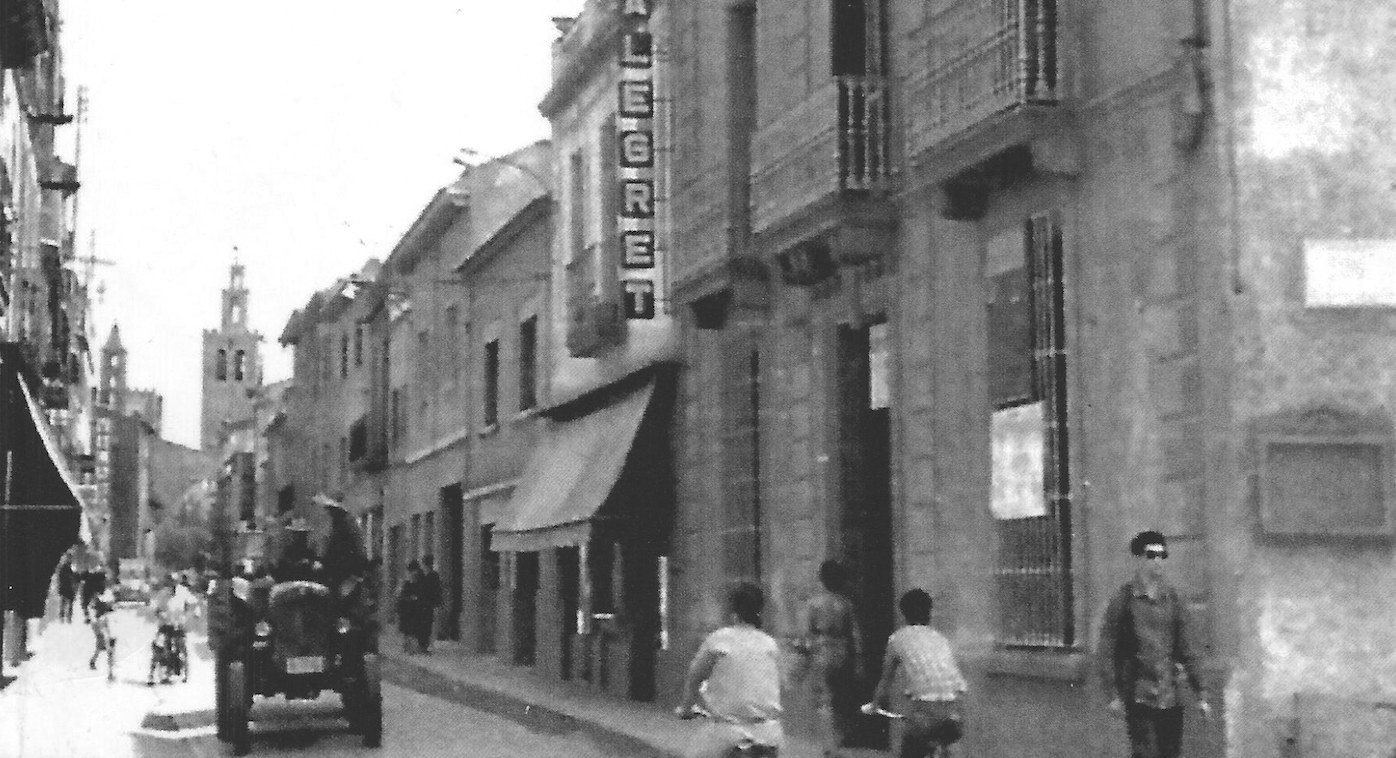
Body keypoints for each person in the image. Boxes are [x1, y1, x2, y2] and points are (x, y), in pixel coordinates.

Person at [1099, 530, 1210, 758]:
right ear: (1138, 559)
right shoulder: (1123, 600)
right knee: (1145, 753)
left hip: (1170, 695)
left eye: (1162, 556)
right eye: (1151, 555)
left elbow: (1188, 647)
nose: (1157, 561)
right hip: (1139, 695)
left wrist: (1201, 692)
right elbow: (1107, 649)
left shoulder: (1173, 599)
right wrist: (1112, 694)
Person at [675, 582, 784, 758]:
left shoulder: (718, 640)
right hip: (769, 733)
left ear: (731, 608)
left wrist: (686, 708)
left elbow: (695, 676)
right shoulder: (769, 644)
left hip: (728, 731)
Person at [869, 589, 968, 758]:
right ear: (929, 613)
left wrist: (875, 705)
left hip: (925, 710)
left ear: (903, 614)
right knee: (948, 740)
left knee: (911, 749)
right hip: (956, 707)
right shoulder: (940, 638)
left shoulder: (897, 639)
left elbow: (885, 681)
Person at [800, 560, 864, 758]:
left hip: (821, 650)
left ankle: (830, 746)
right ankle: (838, 740)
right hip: (841, 651)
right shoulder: (846, 604)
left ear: (822, 579)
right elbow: (855, 635)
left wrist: (805, 660)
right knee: (840, 699)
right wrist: (859, 662)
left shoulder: (814, 604)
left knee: (823, 700)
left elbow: (807, 634)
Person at [89, 589, 117, 681]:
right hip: (105, 635)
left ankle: (94, 662)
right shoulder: (102, 617)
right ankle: (110, 673)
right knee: (108, 651)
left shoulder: (102, 616)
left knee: (101, 649)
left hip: (105, 634)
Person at [396, 561, 423, 653]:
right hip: (406, 609)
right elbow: (401, 595)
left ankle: (411, 648)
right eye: (412, 571)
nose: (414, 573)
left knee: (413, 629)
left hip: (414, 609)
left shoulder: (418, 582)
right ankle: (407, 648)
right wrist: (409, 598)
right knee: (407, 630)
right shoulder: (406, 583)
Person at [418, 555, 442, 654]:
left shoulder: (430, 575)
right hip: (424, 604)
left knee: (426, 624)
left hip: (426, 604)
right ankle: (423, 645)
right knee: (424, 624)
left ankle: (424, 645)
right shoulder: (424, 575)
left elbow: (437, 590)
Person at [57, 559, 77, 623]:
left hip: (66, 588)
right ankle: (66, 617)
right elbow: (61, 579)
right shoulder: (65, 569)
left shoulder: (67, 569)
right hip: (66, 587)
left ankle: (64, 617)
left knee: (65, 603)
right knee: (66, 603)